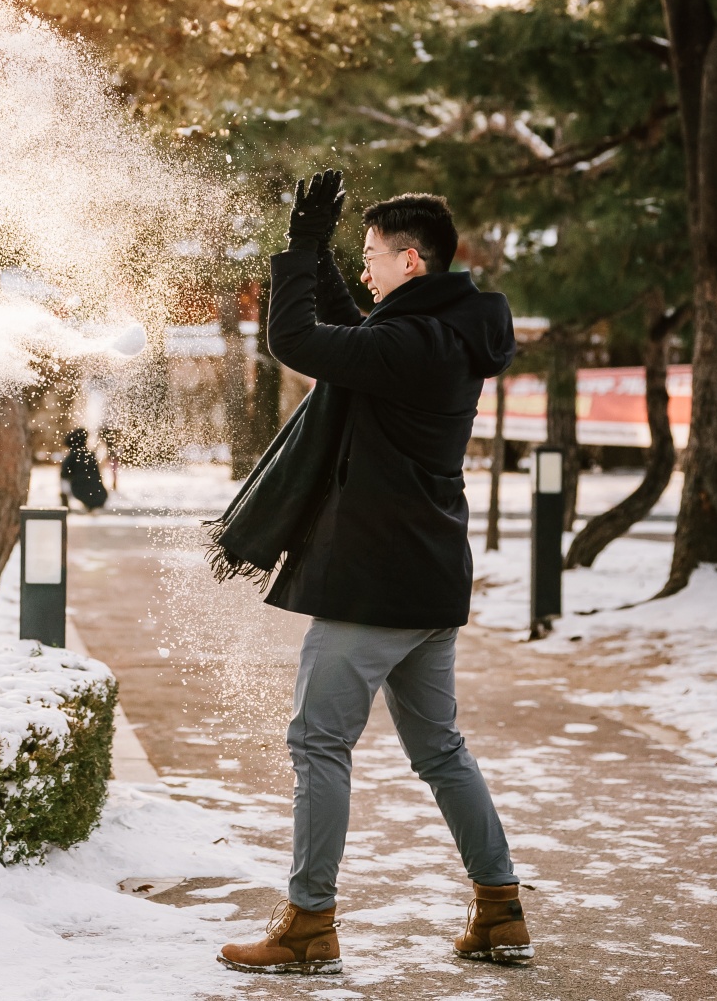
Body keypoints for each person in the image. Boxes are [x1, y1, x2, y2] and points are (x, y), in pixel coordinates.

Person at [215, 174, 528, 976]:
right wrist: (316, 252)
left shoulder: (409, 344)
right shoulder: (442, 335)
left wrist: (296, 253)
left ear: (413, 262)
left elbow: (301, 341)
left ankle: (308, 922)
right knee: (441, 750)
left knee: (318, 743)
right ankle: (499, 908)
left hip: (375, 584)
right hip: (427, 581)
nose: (365, 271)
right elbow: (356, 333)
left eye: (373, 257)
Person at [59, 427, 109, 511]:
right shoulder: (90, 455)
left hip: (80, 491)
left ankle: (65, 504)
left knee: (63, 479)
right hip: (100, 495)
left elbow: (64, 474)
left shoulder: (72, 456)